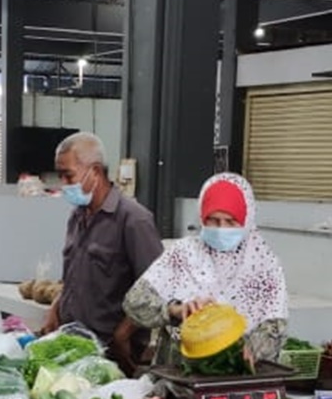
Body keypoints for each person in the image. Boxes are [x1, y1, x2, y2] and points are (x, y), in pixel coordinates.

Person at [124, 172, 288, 366]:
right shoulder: (183, 254)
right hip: (177, 373)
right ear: (202, 217)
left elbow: (275, 326)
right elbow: (134, 303)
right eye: (213, 220)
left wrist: (247, 350)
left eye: (231, 221)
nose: (221, 228)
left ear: (247, 220)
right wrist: (174, 310)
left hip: (236, 376)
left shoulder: (264, 265)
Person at [47, 132, 163, 368]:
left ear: (96, 172)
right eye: (60, 176)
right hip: (72, 346)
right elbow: (76, 273)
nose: (64, 185)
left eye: (68, 176)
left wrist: (123, 335)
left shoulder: (133, 220)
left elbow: (157, 286)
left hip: (112, 354)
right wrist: (56, 306)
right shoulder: (77, 216)